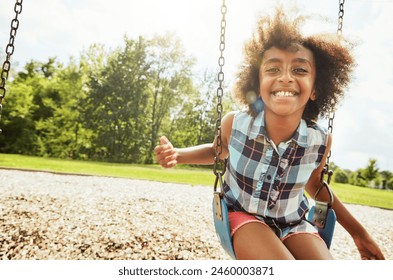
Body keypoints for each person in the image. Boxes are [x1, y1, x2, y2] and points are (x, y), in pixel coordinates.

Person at [154, 8, 385, 260]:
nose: (285, 77)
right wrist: (178, 155)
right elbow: (215, 151)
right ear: (258, 84)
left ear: (316, 89)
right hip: (243, 214)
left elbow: (316, 184)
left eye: (299, 70)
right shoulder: (237, 124)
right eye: (273, 69)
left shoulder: (319, 141)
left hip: (294, 222)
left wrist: (359, 233)